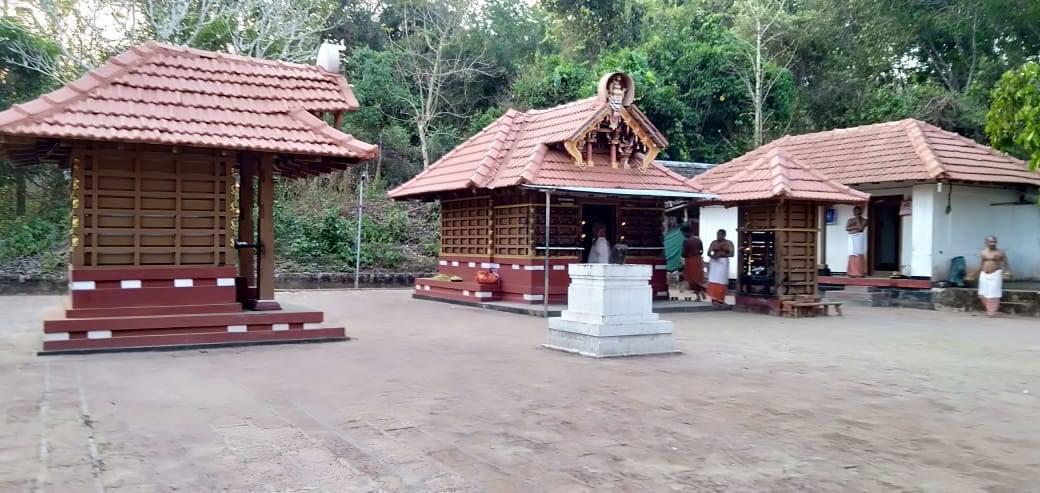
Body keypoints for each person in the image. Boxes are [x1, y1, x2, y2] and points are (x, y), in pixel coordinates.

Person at [978, 235, 1010, 318]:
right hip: (984, 274)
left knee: (994, 293)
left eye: (994, 242)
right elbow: (981, 263)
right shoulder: (983, 252)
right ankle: (988, 308)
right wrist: (975, 274)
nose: (993, 244)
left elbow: (1005, 263)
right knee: (982, 294)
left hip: (995, 274)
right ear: (986, 243)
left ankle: (991, 311)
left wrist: (1007, 272)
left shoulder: (1000, 252)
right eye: (990, 242)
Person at [706, 229, 734, 305]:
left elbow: (732, 254)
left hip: (723, 262)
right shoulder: (714, 242)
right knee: (713, 279)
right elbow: (708, 252)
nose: (718, 236)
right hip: (714, 262)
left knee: (722, 280)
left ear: (724, 235)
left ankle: (720, 299)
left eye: (720, 235)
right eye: (717, 234)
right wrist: (713, 256)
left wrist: (722, 255)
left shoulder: (729, 243)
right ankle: (714, 298)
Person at [681, 224, 706, 301]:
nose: (683, 235)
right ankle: (701, 290)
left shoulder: (686, 241)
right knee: (698, 278)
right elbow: (701, 251)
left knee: (691, 279)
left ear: (686, 232)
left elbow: (683, 253)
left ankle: (698, 295)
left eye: (683, 233)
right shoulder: (698, 240)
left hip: (690, 261)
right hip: (698, 260)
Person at [846, 206, 867, 277]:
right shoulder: (850, 220)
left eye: (858, 211)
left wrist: (857, 219)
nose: (856, 212)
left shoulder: (864, 220)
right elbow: (847, 228)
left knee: (859, 253)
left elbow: (861, 228)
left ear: (861, 212)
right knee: (851, 253)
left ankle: (860, 272)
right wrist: (855, 227)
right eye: (855, 211)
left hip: (859, 238)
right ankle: (851, 272)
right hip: (851, 238)